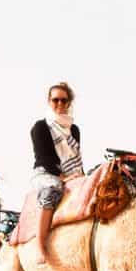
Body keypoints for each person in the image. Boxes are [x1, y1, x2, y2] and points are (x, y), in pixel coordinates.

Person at [30, 81, 83, 254]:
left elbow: (76, 156)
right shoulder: (40, 127)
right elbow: (44, 158)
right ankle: (40, 243)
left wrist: (78, 176)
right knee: (52, 189)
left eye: (64, 100)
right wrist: (62, 177)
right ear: (49, 101)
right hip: (46, 173)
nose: (59, 104)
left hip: (71, 172)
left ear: (69, 103)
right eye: (55, 100)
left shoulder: (74, 129)